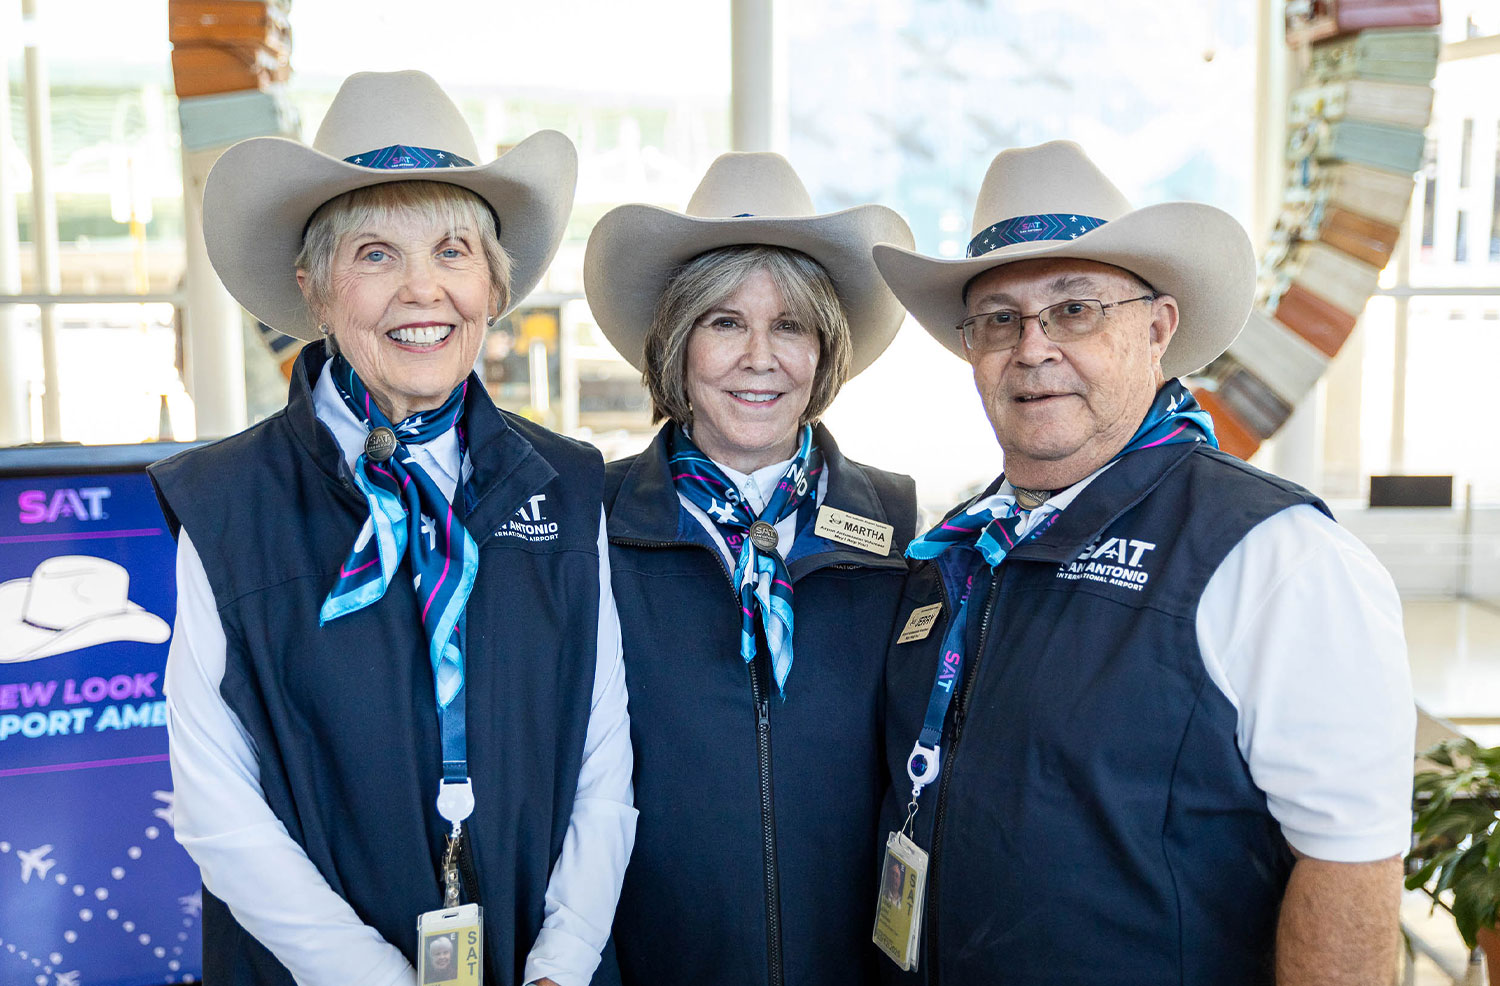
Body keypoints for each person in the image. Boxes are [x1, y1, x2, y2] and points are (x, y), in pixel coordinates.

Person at [868, 141, 1414, 985]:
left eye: (1076, 309)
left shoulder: (1276, 557)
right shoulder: (954, 552)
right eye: (999, 320)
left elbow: (1349, 864)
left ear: (1157, 329)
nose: (1033, 348)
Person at [148, 70, 636, 986]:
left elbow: (604, 755)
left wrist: (563, 962)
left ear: (493, 285)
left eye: (453, 251)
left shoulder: (569, 485)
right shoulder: (225, 500)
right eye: (375, 254)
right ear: (313, 290)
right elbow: (217, 805)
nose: (423, 290)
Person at [582, 152, 918, 986]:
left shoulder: (902, 530)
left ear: (823, 350)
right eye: (725, 323)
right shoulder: (593, 522)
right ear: (677, 346)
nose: (759, 357)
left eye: (791, 326)